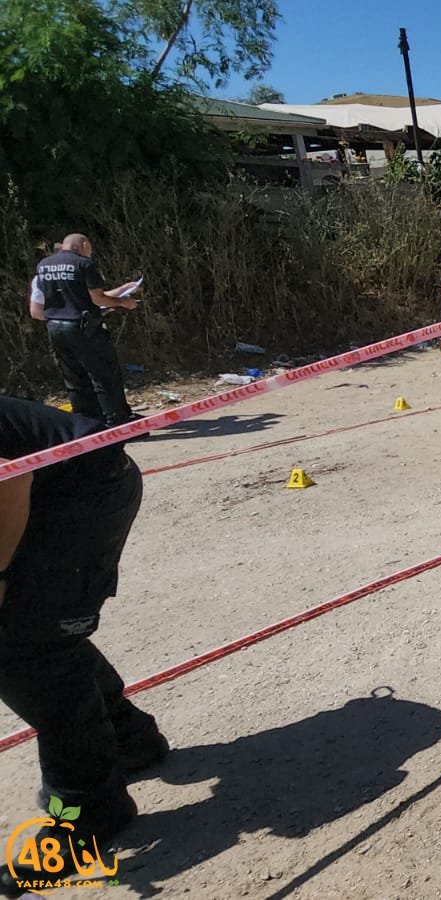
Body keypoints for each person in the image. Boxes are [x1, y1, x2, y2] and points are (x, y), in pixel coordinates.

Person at [0, 395, 169, 895]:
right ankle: (128, 739)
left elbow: (9, 478)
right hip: (58, 487)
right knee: (44, 631)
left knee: (25, 645)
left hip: (85, 489)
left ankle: (90, 812)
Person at [34, 234, 141, 429]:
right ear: (84, 245)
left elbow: (64, 297)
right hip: (83, 328)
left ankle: (87, 423)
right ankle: (118, 422)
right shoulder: (84, 264)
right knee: (104, 375)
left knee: (74, 378)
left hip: (55, 327)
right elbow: (97, 298)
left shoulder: (44, 265)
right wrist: (123, 302)